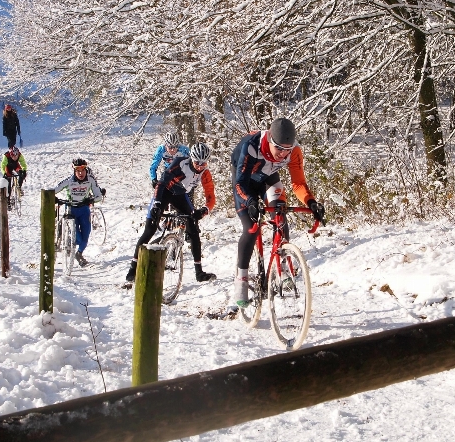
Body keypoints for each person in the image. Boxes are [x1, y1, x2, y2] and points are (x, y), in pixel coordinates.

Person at [230, 118, 325, 308]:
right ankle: (241, 279)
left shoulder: (294, 152)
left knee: (280, 214)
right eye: (279, 149)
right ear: (270, 141)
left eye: (287, 150)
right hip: (245, 181)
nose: (283, 154)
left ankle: (283, 267)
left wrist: (311, 202)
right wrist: (250, 201)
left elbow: (298, 184)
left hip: (268, 178)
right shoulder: (251, 145)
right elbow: (240, 184)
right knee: (251, 227)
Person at [127, 143, 216, 284]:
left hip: (180, 194)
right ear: (191, 158)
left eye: (203, 163)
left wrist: (203, 211)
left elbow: (210, 196)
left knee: (193, 228)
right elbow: (161, 183)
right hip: (164, 192)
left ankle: (199, 272)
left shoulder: (205, 173)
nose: (200, 166)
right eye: (197, 162)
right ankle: (132, 269)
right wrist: (156, 204)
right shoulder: (180, 163)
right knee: (150, 228)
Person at [54, 158, 104, 266]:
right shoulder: (69, 181)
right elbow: (54, 190)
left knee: (85, 238)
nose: (80, 173)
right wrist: (53, 198)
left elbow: (98, 196)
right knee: (79, 238)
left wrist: (91, 199)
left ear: (86, 170)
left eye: (82, 170)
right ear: (74, 171)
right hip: (71, 211)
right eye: (78, 171)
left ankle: (79, 254)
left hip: (84, 210)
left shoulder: (90, 180)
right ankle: (66, 240)